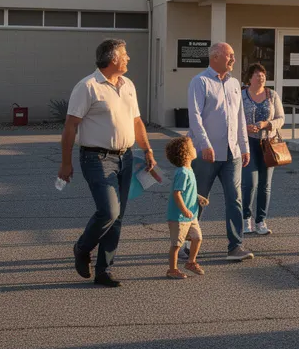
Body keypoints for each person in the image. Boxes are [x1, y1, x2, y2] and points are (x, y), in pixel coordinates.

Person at [60, 39, 157, 288]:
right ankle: (82, 248)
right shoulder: (88, 86)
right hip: (96, 158)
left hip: (126, 157)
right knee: (109, 211)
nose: (128, 58)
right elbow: (71, 125)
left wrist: (147, 150)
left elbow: (136, 122)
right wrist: (65, 163)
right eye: (125, 54)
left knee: (119, 216)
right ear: (113, 58)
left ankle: (104, 270)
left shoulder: (128, 85)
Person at [187, 42, 253, 262]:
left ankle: (235, 246)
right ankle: (187, 242)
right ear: (215, 57)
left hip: (232, 153)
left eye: (233, 55)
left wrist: (244, 147)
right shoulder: (200, 82)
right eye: (230, 56)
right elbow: (195, 116)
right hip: (207, 153)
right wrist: (204, 144)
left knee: (235, 199)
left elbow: (240, 117)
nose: (233, 59)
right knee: (198, 198)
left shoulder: (235, 84)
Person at [241, 63, 285, 236]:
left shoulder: (272, 95)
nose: (261, 77)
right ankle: (245, 219)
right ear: (249, 78)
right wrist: (245, 127)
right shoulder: (242, 96)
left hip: (268, 144)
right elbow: (233, 118)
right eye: (257, 75)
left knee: (265, 185)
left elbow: (281, 118)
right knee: (249, 183)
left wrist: (267, 124)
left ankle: (260, 221)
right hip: (248, 143)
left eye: (263, 75)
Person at [165, 136, 208, 280]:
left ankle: (191, 262)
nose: (195, 148)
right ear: (185, 153)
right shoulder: (183, 172)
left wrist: (198, 197)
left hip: (191, 215)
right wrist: (184, 210)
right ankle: (172, 269)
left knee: (197, 238)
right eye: (192, 147)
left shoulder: (189, 170)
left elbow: (188, 190)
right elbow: (177, 193)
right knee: (176, 245)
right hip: (179, 216)